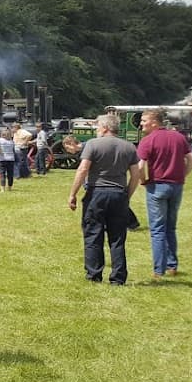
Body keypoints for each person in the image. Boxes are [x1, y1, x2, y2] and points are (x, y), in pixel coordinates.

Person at [67, 113, 142, 285]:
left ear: (105, 127)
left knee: (93, 234)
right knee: (117, 237)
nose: (96, 130)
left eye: (98, 127)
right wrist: (127, 195)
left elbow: (83, 170)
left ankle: (94, 274)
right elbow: (136, 175)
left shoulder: (93, 145)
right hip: (119, 193)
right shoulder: (129, 146)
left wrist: (73, 194)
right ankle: (118, 277)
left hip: (96, 193)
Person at [137, 107, 192, 279]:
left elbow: (140, 165)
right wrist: (183, 175)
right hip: (176, 186)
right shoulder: (178, 137)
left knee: (157, 229)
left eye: (143, 121)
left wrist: (143, 180)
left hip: (157, 187)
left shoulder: (148, 140)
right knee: (171, 227)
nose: (141, 125)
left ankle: (158, 270)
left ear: (154, 122)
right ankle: (172, 265)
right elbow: (191, 159)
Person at [0, 125, 18, 191]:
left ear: (2, 134)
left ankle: (2, 189)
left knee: (2, 174)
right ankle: (10, 188)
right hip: (11, 159)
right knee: (10, 174)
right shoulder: (12, 142)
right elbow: (13, 151)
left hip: (1, 159)